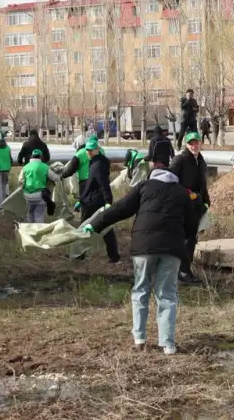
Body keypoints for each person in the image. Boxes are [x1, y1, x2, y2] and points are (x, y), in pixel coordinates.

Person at [84, 141, 200, 355]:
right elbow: (192, 227)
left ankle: (139, 339)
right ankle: (168, 344)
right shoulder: (182, 193)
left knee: (141, 290)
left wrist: (94, 224)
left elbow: (120, 209)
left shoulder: (144, 187)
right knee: (167, 294)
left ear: (153, 165)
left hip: (143, 247)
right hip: (172, 249)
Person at [169, 132, 209, 285]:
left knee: (191, 238)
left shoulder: (200, 160)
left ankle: (182, 270)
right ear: (186, 145)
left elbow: (202, 183)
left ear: (200, 143)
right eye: (191, 143)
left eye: (196, 143)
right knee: (187, 239)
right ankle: (183, 272)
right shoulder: (180, 160)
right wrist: (186, 193)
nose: (194, 146)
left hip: (196, 205)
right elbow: (170, 180)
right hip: (183, 205)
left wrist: (206, 201)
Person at [74, 138, 120, 262]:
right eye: (87, 150)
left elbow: (103, 184)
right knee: (106, 228)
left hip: (94, 201)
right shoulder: (97, 162)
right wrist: (81, 200)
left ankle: (79, 255)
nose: (88, 153)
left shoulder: (97, 165)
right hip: (93, 199)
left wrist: (108, 202)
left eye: (91, 150)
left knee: (84, 227)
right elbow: (92, 184)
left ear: (97, 149)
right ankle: (114, 256)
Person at [21, 149, 59, 223]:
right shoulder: (44, 167)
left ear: (32, 156)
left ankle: (30, 230)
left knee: (30, 213)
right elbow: (55, 177)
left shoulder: (25, 167)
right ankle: (38, 231)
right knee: (39, 214)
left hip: (27, 195)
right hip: (40, 195)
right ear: (40, 156)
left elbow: (20, 180)